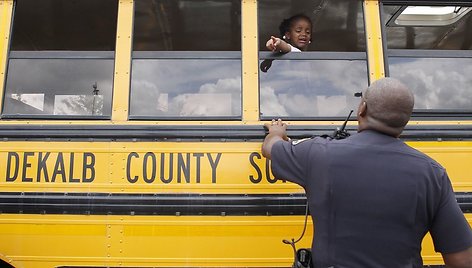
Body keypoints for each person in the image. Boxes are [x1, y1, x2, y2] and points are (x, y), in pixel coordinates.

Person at [261, 77, 472, 267]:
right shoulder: (433, 174)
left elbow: (270, 149)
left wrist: (276, 132)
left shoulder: (319, 154)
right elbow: (462, 260)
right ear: (405, 120)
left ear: (362, 109)